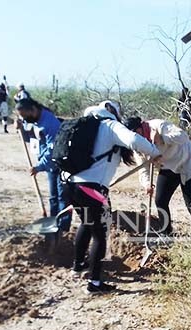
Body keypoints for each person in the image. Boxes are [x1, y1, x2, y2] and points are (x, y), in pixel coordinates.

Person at [66, 106, 161, 294]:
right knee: (100, 234)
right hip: (93, 189)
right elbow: (134, 139)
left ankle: (78, 266)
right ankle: (94, 284)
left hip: (70, 185)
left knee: (86, 223)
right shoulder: (109, 125)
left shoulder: (82, 126)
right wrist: (154, 151)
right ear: (113, 113)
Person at [124, 116, 191, 235]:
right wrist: (146, 184)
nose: (135, 136)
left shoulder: (158, 126)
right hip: (168, 168)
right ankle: (167, 232)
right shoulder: (137, 145)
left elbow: (182, 136)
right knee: (160, 200)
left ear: (140, 126)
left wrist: (162, 138)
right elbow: (143, 168)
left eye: (136, 131)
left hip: (188, 162)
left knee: (190, 201)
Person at [14, 98, 70, 234]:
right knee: (53, 197)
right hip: (51, 165)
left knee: (62, 197)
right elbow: (36, 139)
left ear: (33, 109)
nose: (25, 119)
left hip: (62, 162)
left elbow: (52, 150)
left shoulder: (50, 123)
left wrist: (39, 167)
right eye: (22, 117)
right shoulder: (35, 121)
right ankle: (52, 225)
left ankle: (63, 229)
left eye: (25, 116)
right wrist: (21, 130)